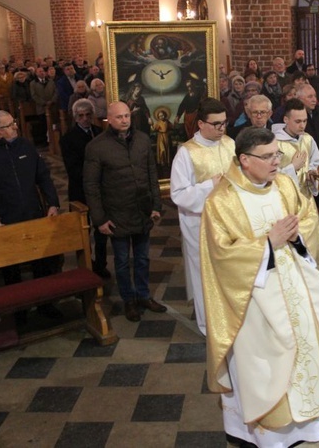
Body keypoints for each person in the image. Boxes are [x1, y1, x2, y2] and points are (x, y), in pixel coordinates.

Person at [200, 127, 319, 447]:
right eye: (268, 157)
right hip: (251, 295)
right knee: (263, 359)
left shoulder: (283, 185)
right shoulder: (221, 201)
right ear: (245, 161)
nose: (277, 162)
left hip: (293, 279)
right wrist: (267, 244)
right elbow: (220, 255)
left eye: (277, 154)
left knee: (305, 343)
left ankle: (307, 424)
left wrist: (296, 237)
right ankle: (270, 435)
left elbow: (305, 218)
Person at [0, 110, 63, 320]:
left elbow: (43, 177)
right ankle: (19, 310)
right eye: (10, 125)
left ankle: (46, 304)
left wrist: (53, 203)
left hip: (33, 214)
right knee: (12, 270)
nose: (16, 127)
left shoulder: (25, 146)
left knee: (42, 263)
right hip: (4, 220)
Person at [83, 101, 166, 322]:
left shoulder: (141, 139)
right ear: (109, 119)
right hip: (116, 212)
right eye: (119, 117)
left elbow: (151, 175)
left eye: (127, 116)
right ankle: (129, 299)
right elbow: (91, 186)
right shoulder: (97, 146)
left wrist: (156, 205)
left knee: (142, 258)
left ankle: (143, 295)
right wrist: (99, 218)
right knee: (121, 260)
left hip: (141, 209)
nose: (124, 120)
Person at [170, 98, 235, 335]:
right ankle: (208, 325)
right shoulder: (187, 153)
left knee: (228, 269)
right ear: (200, 124)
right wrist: (210, 185)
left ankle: (229, 315)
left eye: (224, 123)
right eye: (216, 124)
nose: (221, 129)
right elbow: (178, 194)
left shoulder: (229, 143)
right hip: (199, 222)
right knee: (204, 272)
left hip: (229, 220)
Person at [60, 99, 109, 279]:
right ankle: (86, 263)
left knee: (101, 228)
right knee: (83, 229)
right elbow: (73, 168)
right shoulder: (68, 139)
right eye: (81, 116)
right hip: (80, 189)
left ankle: (101, 264)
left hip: (101, 190)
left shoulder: (99, 133)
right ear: (75, 117)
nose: (85, 119)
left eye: (88, 115)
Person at [272, 98, 319, 199]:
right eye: (298, 121)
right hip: (286, 197)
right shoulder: (275, 143)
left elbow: (315, 162)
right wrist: (293, 167)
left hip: (306, 196)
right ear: (286, 119)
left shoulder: (308, 139)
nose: (302, 126)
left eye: (305, 121)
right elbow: (273, 175)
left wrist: (312, 172)